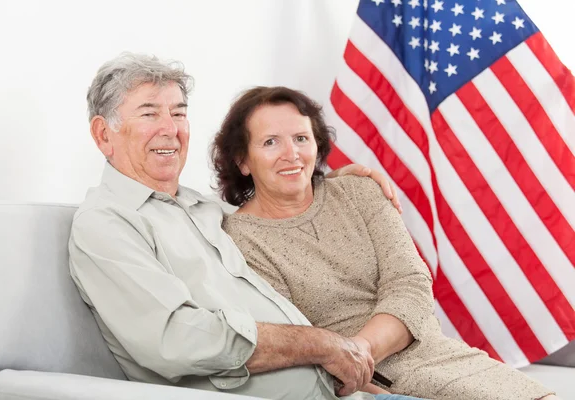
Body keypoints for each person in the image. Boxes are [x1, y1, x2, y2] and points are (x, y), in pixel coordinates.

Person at [68, 52, 421, 400]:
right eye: (149, 113)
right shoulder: (106, 223)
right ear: (103, 135)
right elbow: (175, 338)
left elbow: (272, 211)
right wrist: (320, 345)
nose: (171, 129)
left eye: (178, 113)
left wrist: (328, 184)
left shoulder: (203, 209)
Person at [213, 86, 559, 400]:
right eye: (270, 142)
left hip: (432, 353)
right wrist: (350, 362)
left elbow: (410, 283)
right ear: (242, 160)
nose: (291, 154)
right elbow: (291, 336)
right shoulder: (240, 238)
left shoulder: (360, 191)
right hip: (359, 384)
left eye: (301, 138)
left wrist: (359, 350)